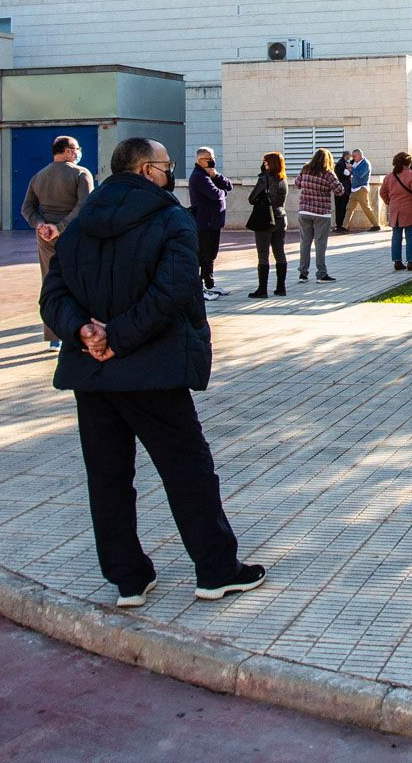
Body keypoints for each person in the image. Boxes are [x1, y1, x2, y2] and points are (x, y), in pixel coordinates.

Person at [40, 137, 266, 609]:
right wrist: (114, 337)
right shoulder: (170, 220)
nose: (172, 174)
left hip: (93, 376)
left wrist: (85, 333)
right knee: (188, 471)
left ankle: (127, 579)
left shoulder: (81, 224)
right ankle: (216, 570)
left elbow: (53, 294)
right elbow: (173, 293)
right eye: (167, 167)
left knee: (108, 477)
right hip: (152, 372)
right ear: (146, 170)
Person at [22, 135, 94, 346]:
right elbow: (85, 207)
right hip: (74, 236)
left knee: (49, 282)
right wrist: (60, 228)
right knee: (79, 282)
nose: (78, 152)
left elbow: (27, 209)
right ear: (69, 151)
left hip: (45, 238)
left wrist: (42, 225)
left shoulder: (39, 176)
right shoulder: (81, 174)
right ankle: (80, 329)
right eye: (77, 149)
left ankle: (54, 336)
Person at [188, 147, 233, 298]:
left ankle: (210, 283)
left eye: (213, 157)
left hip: (213, 222)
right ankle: (204, 285)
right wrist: (223, 192)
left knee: (211, 254)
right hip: (205, 222)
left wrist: (217, 175)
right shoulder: (199, 176)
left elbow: (229, 186)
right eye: (208, 159)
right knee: (205, 254)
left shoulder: (209, 174)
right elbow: (216, 194)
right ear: (199, 160)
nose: (212, 161)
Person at [295, 148, 344, 282]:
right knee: (320, 243)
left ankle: (303, 274)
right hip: (321, 213)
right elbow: (340, 191)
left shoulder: (305, 169)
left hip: (304, 211)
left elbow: (297, 184)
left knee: (305, 243)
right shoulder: (328, 173)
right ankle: (321, 274)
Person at [245, 153, 288, 297]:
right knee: (280, 253)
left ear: (269, 163)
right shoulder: (283, 179)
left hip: (266, 219)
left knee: (263, 255)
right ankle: (281, 288)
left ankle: (262, 289)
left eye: (265, 162)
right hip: (281, 217)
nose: (264, 164)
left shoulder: (264, 179)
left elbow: (251, 198)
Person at [381, 152, 412, 272]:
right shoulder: (411, 175)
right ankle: (410, 261)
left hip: (395, 209)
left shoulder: (389, 176)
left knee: (396, 236)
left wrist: (389, 201)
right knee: (410, 236)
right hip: (409, 209)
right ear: (408, 162)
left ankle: (397, 261)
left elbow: (382, 192)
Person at [331, 151, 353, 231]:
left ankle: (342, 225)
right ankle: (339, 225)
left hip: (345, 189)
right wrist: (349, 170)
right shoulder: (340, 164)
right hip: (341, 189)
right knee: (340, 207)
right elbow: (344, 175)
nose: (350, 158)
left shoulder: (344, 163)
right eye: (349, 156)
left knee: (343, 207)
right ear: (346, 155)